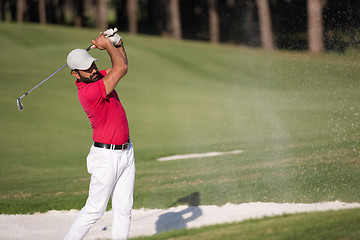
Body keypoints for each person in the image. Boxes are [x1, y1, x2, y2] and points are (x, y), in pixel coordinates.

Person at [64, 29, 135, 240]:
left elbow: (122, 66)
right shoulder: (89, 92)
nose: (93, 69)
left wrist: (117, 42)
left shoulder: (99, 78)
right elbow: (120, 67)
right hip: (106, 158)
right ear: (76, 74)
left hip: (126, 152)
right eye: (87, 69)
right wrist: (108, 46)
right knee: (95, 210)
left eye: (93, 64)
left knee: (124, 209)